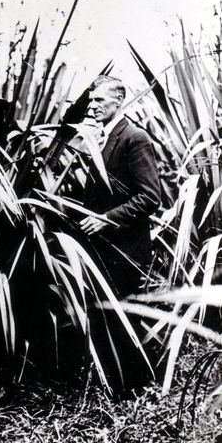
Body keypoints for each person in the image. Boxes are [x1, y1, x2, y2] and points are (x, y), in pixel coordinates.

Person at [79, 75, 161, 396]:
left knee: (123, 318)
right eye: (90, 100)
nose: (92, 105)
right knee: (107, 318)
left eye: (99, 100)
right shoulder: (99, 139)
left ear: (119, 100)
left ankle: (137, 391)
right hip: (103, 249)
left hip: (126, 250)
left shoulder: (134, 138)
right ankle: (116, 388)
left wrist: (106, 220)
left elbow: (149, 197)